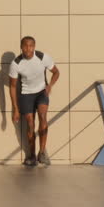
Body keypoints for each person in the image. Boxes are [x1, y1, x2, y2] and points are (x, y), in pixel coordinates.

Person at [8, 36, 61, 166]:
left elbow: (56, 72)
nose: (28, 48)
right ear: (21, 47)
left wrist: (50, 86)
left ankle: (42, 153)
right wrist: (15, 108)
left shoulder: (43, 57)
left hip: (42, 92)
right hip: (26, 94)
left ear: (34, 46)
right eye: (25, 46)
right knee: (30, 123)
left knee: (43, 116)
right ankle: (31, 156)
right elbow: (13, 86)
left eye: (31, 46)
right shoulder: (16, 63)